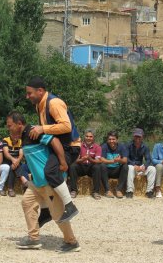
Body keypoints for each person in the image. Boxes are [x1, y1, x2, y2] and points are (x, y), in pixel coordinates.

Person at [6, 111, 80, 252]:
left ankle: (72, 242)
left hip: (48, 183)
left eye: (10, 125)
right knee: (27, 203)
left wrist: (63, 162)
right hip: (36, 183)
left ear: (19, 124)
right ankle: (33, 239)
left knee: (57, 213)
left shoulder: (34, 132)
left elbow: (55, 141)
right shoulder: (23, 137)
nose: (8, 128)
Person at [25, 77, 79, 221]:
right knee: (38, 172)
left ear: (40, 91)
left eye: (29, 93)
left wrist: (43, 128)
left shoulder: (54, 103)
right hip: (58, 145)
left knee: (49, 171)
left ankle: (70, 205)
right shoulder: (39, 105)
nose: (27, 96)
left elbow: (66, 126)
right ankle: (45, 210)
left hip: (70, 147)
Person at [69, 130, 103, 200]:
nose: (88, 138)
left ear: (93, 138)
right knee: (72, 166)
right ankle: (73, 190)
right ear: (84, 137)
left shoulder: (97, 147)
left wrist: (90, 159)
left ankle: (96, 192)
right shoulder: (79, 146)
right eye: (87, 136)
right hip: (81, 166)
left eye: (90, 136)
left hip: (91, 167)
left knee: (97, 167)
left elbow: (98, 161)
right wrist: (82, 159)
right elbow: (75, 160)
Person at [126, 128, 156, 199]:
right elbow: (126, 158)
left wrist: (145, 166)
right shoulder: (128, 145)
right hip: (132, 167)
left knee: (152, 168)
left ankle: (149, 191)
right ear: (133, 136)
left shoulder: (145, 147)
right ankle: (129, 191)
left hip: (140, 167)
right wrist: (134, 165)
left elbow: (148, 159)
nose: (137, 138)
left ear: (142, 137)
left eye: (139, 136)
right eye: (136, 136)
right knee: (130, 167)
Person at [100, 130, 129, 199]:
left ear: (117, 140)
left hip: (117, 170)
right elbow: (101, 159)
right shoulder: (104, 146)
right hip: (107, 170)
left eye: (113, 139)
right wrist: (113, 161)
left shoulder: (122, 147)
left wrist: (119, 160)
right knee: (102, 165)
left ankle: (118, 189)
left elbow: (125, 160)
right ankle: (107, 190)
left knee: (125, 166)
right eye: (109, 139)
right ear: (107, 140)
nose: (111, 141)